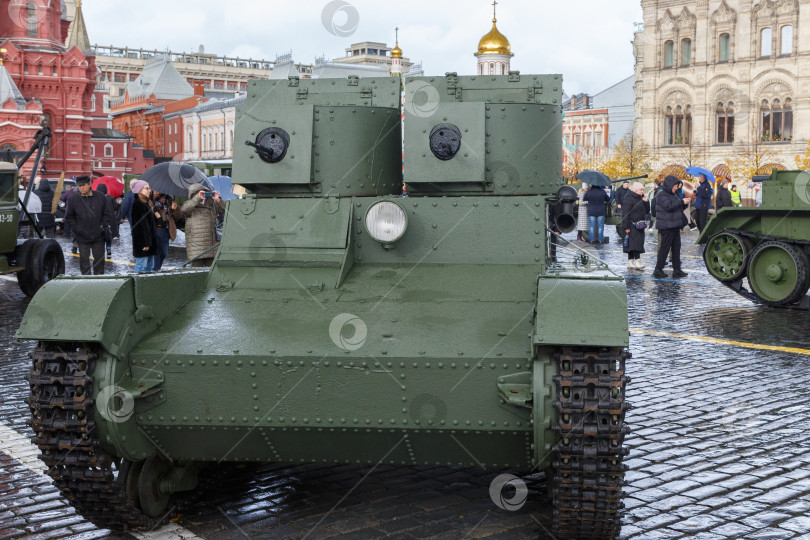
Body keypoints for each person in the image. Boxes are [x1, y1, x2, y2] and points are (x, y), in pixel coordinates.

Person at [64, 175, 114, 275]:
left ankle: (98, 282)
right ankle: (86, 283)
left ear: (90, 184)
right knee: (84, 262)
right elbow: (69, 217)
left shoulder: (100, 197)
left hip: (98, 236)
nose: (81, 187)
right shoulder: (74, 199)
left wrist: (103, 226)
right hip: (82, 236)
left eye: (83, 185)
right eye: (79, 186)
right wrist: (77, 229)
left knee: (99, 261)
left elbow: (107, 213)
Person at [652, 175, 689, 279]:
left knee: (676, 248)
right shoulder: (662, 195)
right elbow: (669, 206)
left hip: (674, 225)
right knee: (664, 248)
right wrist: (681, 202)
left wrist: (685, 203)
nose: (676, 188)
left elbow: (676, 206)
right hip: (666, 226)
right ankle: (658, 269)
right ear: (670, 185)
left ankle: (677, 269)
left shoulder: (673, 194)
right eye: (675, 186)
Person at [181, 183, 225, 267]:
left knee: (212, 270)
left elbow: (226, 209)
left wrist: (218, 200)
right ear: (193, 194)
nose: (203, 193)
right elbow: (184, 209)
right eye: (199, 192)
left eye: (205, 191)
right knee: (196, 270)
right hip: (196, 246)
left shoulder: (212, 204)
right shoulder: (189, 204)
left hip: (211, 245)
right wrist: (198, 198)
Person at [129, 180, 157, 273]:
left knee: (149, 266)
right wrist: (145, 242)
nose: (150, 190)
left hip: (149, 240)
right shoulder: (138, 204)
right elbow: (141, 226)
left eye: (149, 188)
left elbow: (149, 223)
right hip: (143, 242)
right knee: (141, 267)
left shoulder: (146, 203)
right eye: (147, 188)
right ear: (140, 190)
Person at [621, 182, 649, 270]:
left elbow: (647, 210)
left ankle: (631, 261)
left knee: (637, 243)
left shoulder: (640, 198)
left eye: (643, 190)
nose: (642, 191)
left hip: (639, 225)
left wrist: (646, 201)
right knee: (633, 243)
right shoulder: (629, 199)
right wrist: (626, 227)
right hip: (631, 224)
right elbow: (625, 213)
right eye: (641, 189)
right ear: (636, 190)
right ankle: (636, 260)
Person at [151, 189, 181, 271]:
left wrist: (175, 209)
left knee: (164, 251)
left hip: (165, 229)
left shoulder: (169, 199)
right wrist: (153, 212)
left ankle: (157, 267)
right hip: (153, 228)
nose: (155, 192)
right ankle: (155, 269)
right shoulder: (150, 199)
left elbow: (178, 215)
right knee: (156, 250)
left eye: (157, 191)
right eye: (154, 190)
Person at [95, 183, 117, 257]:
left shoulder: (96, 198)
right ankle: (108, 248)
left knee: (100, 236)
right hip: (109, 219)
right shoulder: (110, 197)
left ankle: (100, 250)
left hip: (99, 220)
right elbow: (115, 207)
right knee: (108, 235)